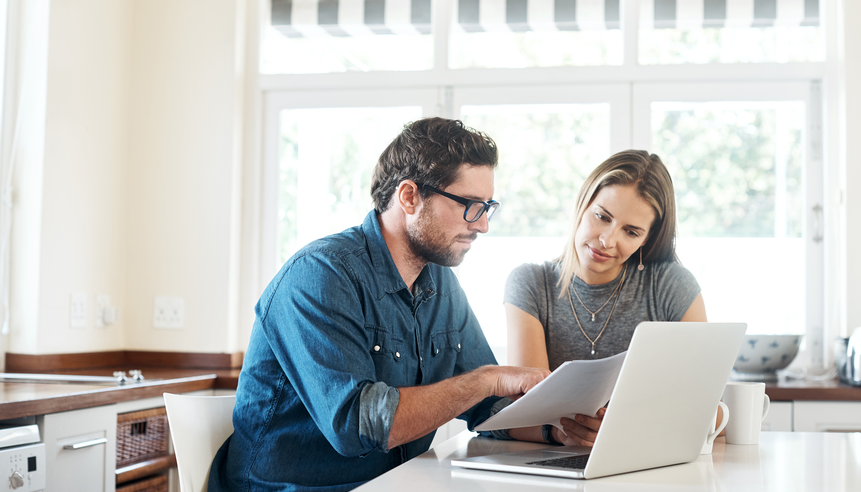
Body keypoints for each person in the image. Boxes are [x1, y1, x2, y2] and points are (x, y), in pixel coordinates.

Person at [209, 117, 553, 492]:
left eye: (488, 206)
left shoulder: (440, 282)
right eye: (470, 205)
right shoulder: (321, 275)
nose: (483, 224)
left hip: (394, 484)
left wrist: (557, 429)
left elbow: (487, 407)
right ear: (409, 197)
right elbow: (358, 426)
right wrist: (487, 379)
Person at [503, 150, 707, 446]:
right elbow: (530, 411)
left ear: (646, 239)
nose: (607, 241)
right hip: (557, 464)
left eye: (631, 231)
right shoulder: (531, 284)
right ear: (582, 203)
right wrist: (565, 434)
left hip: (645, 458)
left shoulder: (671, 285)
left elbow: (706, 406)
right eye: (602, 216)